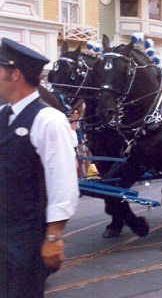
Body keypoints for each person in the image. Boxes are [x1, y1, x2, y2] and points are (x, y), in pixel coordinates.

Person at [0, 37, 79, 297]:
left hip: (26, 236)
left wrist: (54, 237)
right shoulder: (3, 115)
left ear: (15, 74)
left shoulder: (48, 120)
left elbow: (64, 183)